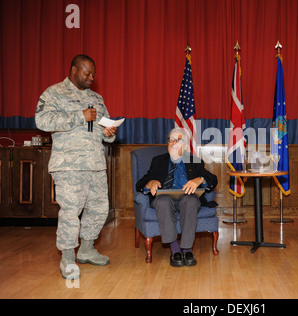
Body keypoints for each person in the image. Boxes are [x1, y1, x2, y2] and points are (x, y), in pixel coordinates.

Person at [35, 54, 118, 279]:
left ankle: (87, 249)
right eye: (87, 73)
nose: (91, 77)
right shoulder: (54, 93)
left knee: (99, 209)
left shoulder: (96, 98)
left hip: (95, 165)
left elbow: (104, 131)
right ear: (73, 70)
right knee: (71, 213)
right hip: (69, 166)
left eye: (93, 74)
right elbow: (42, 121)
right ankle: (68, 259)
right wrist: (79, 116)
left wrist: (109, 132)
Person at [135, 128, 218, 267]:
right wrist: (150, 183)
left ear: (185, 146)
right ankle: (175, 249)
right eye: (170, 140)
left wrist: (200, 179)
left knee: (190, 201)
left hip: (187, 197)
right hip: (164, 197)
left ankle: (187, 249)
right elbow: (141, 183)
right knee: (163, 201)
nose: (172, 143)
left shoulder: (194, 161)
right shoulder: (158, 161)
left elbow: (213, 180)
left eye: (177, 140)